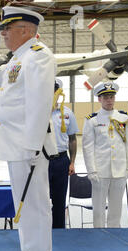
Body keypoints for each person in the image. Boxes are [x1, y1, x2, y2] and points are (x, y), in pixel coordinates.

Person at [0, 6, 56, 251]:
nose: (3, 34)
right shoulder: (17, 59)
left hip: (28, 146)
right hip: (17, 145)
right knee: (22, 204)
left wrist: (33, 146)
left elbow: (40, 102)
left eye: (7, 29)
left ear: (26, 30)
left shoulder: (38, 57)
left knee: (34, 205)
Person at [82, 81, 128, 228]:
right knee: (98, 209)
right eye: (105, 97)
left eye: (112, 97)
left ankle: (114, 235)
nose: (109, 100)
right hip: (100, 171)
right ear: (99, 99)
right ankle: (98, 234)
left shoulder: (124, 118)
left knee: (116, 208)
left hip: (120, 170)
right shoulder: (92, 120)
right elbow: (88, 147)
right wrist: (91, 169)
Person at [49, 79, 79, 228]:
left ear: (59, 92)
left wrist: (72, 162)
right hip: (42, 161)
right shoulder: (37, 112)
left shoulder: (67, 113)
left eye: (54, 89)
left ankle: (59, 232)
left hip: (61, 160)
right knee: (40, 201)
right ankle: (40, 233)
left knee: (59, 201)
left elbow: (72, 138)